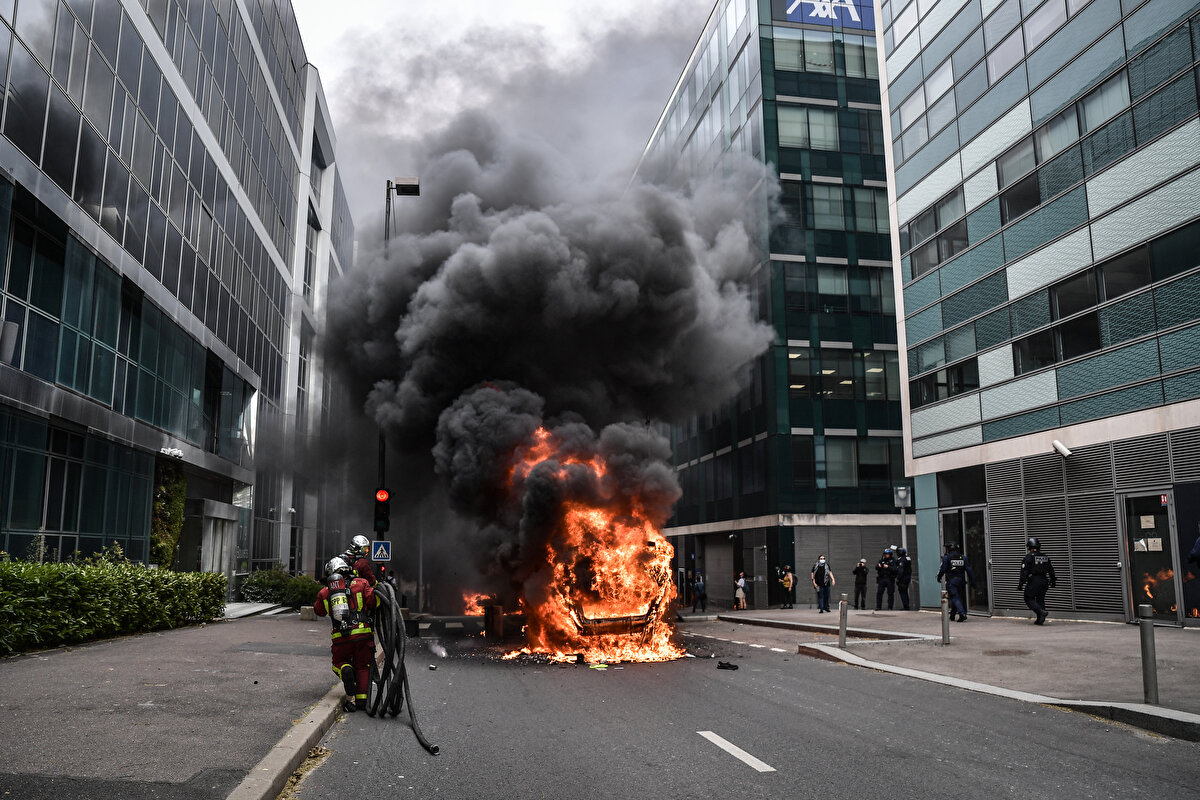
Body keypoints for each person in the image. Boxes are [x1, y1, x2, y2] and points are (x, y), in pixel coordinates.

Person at [313, 557, 380, 712]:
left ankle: (345, 669)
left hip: (340, 637)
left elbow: (319, 611)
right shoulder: (362, 583)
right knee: (363, 666)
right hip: (363, 633)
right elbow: (373, 601)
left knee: (338, 662)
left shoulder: (325, 592)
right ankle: (362, 701)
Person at [1018, 537, 1056, 625]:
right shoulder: (1045, 557)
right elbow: (1051, 570)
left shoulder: (1029, 557)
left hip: (1034, 580)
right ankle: (1040, 620)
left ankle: (1041, 612)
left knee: (1028, 597)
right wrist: (1053, 581)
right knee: (1040, 599)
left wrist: (1021, 583)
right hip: (1044, 581)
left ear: (1030, 547)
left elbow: (1024, 571)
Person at [936, 542, 975, 622]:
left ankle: (962, 614)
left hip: (952, 581)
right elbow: (969, 570)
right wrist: (973, 581)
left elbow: (942, 569)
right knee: (956, 597)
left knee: (954, 597)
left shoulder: (947, 557)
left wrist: (939, 577)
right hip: (961, 581)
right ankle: (952, 615)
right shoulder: (962, 557)